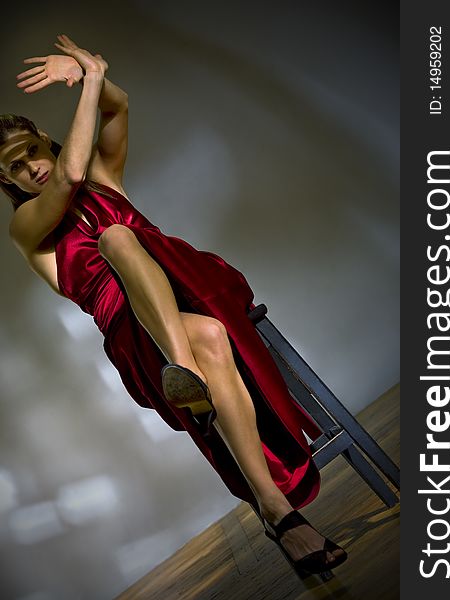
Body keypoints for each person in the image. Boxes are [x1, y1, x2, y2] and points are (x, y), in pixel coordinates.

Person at [0, 35, 347, 578]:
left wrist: (94, 76)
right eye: (13, 167)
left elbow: (118, 106)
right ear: (4, 180)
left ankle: (195, 389)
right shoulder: (27, 228)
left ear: (46, 140)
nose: (30, 168)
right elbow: (68, 175)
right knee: (187, 315)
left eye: (32, 152)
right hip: (133, 332)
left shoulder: (104, 180)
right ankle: (273, 503)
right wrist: (90, 80)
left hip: (188, 284)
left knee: (123, 242)